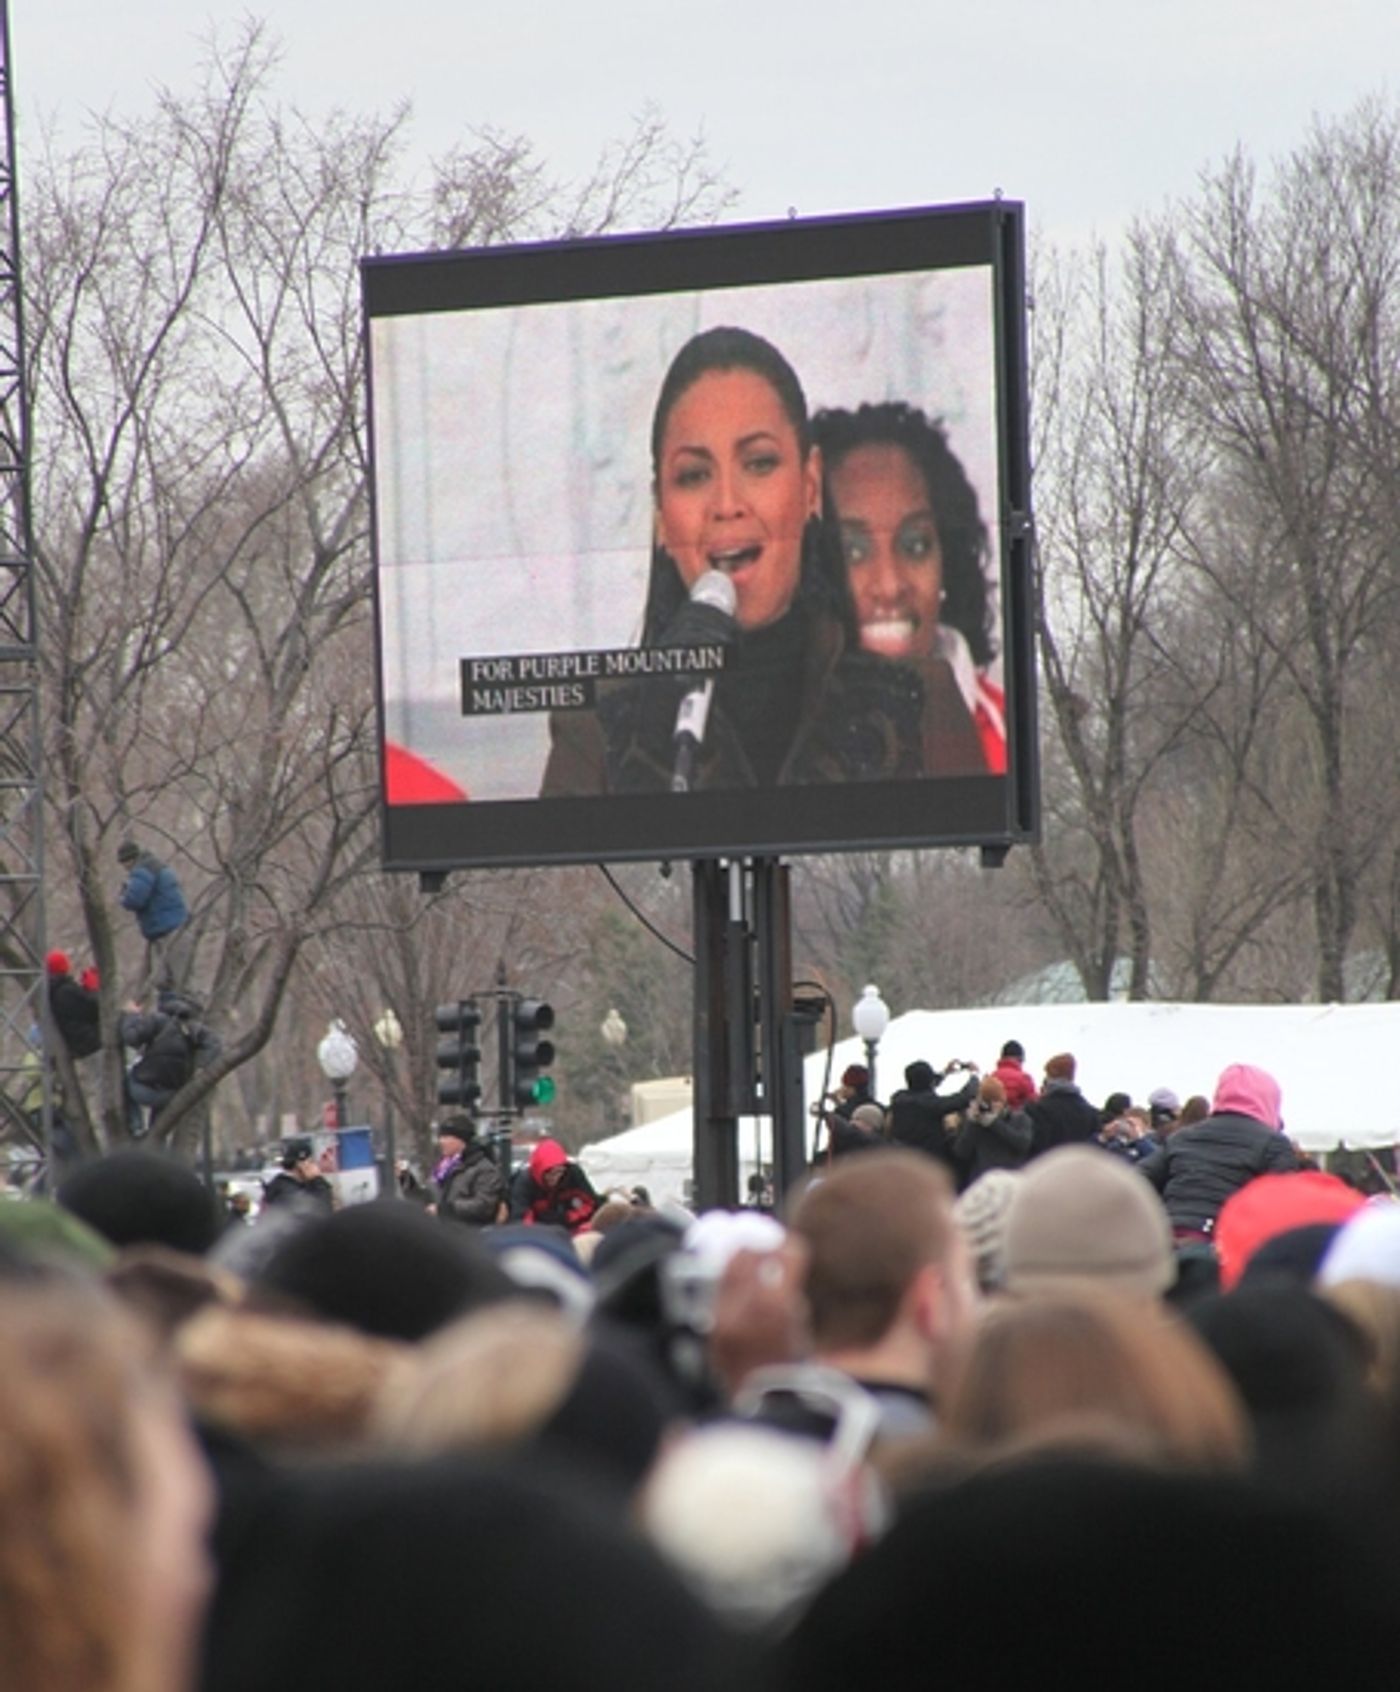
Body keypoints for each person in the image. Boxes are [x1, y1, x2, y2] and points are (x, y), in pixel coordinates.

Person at [541, 326, 986, 796]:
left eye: (758, 464)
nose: (727, 503)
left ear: (810, 486)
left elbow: (980, 869)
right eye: (694, 475)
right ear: (661, 518)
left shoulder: (919, 702)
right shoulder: (594, 730)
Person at [813, 399, 1007, 771]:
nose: (889, 586)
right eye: (852, 551)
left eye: (914, 546)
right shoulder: (766, 750)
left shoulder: (1008, 737)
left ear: (948, 559)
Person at [1138, 1063, 1299, 1242]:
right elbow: (1283, 1204)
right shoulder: (1273, 1143)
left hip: (1171, 1238)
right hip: (1229, 1244)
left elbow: (1138, 1179)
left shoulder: (1183, 1137)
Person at [118, 989, 221, 1137]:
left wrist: (132, 1016)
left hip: (144, 1089)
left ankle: (137, 1126)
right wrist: (200, 1066)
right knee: (159, 1125)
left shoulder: (157, 1020)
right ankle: (155, 1139)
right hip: (173, 1094)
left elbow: (131, 1037)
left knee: (126, 1081)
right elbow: (215, 1043)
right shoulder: (191, 1027)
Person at [117, 838, 189, 987]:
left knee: (169, 980)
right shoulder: (158, 866)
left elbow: (134, 900)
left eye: (124, 864)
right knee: (174, 979)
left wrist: (123, 895)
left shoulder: (143, 871)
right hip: (176, 928)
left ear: (130, 860)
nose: (125, 869)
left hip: (165, 931)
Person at [887, 1059, 978, 1175]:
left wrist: (945, 1073)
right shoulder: (931, 1105)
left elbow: (922, 1086)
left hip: (903, 1159)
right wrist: (974, 1075)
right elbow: (964, 1098)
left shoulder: (898, 1099)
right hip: (929, 1162)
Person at [951, 1075, 1033, 1189]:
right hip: (983, 1182)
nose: (990, 1106)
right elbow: (961, 1151)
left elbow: (1023, 1143)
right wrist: (972, 1123)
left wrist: (994, 1123)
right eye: (987, 1102)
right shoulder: (976, 1122)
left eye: (995, 1101)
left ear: (1002, 1101)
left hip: (1010, 1181)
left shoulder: (1019, 1118)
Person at [511, 1137, 599, 1234]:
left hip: (571, 1230)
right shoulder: (525, 1183)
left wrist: (568, 1218)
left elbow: (592, 1204)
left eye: (559, 1172)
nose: (555, 1177)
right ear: (539, 1171)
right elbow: (520, 1219)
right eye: (550, 1173)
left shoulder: (572, 1175)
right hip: (538, 1233)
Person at [429, 1115, 506, 1227]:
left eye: (446, 1137)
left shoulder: (484, 1169)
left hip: (470, 1235)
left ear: (461, 1140)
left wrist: (446, 1210)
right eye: (440, 1137)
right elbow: (430, 1196)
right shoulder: (442, 1168)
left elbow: (484, 1206)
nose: (441, 1141)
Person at [1025, 1051, 1101, 1157]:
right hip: (1079, 1170)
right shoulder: (1091, 1113)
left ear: (1050, 1076)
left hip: (1047, 1169)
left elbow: (1035, 1147)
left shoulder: (1038, 1109)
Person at [44, 949, 101, 1058]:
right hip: (88, 1042)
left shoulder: (54, 990)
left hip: (79, 1041)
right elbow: (96, 1010)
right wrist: (94, 988)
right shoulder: (65, 991)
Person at [261, 1138, 335, 1213]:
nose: (313, 1166)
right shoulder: (286, 1190)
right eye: (310, 1162)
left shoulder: (287, 1186)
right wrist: (318, 1180)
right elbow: (322, 1211)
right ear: (300, 1164)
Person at [991, 1037, 1037, 1108]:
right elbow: (1034, 1104)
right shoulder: (1024, 1078)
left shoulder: (991, 1078)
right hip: (1015, 1117)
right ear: (1020, 1059)